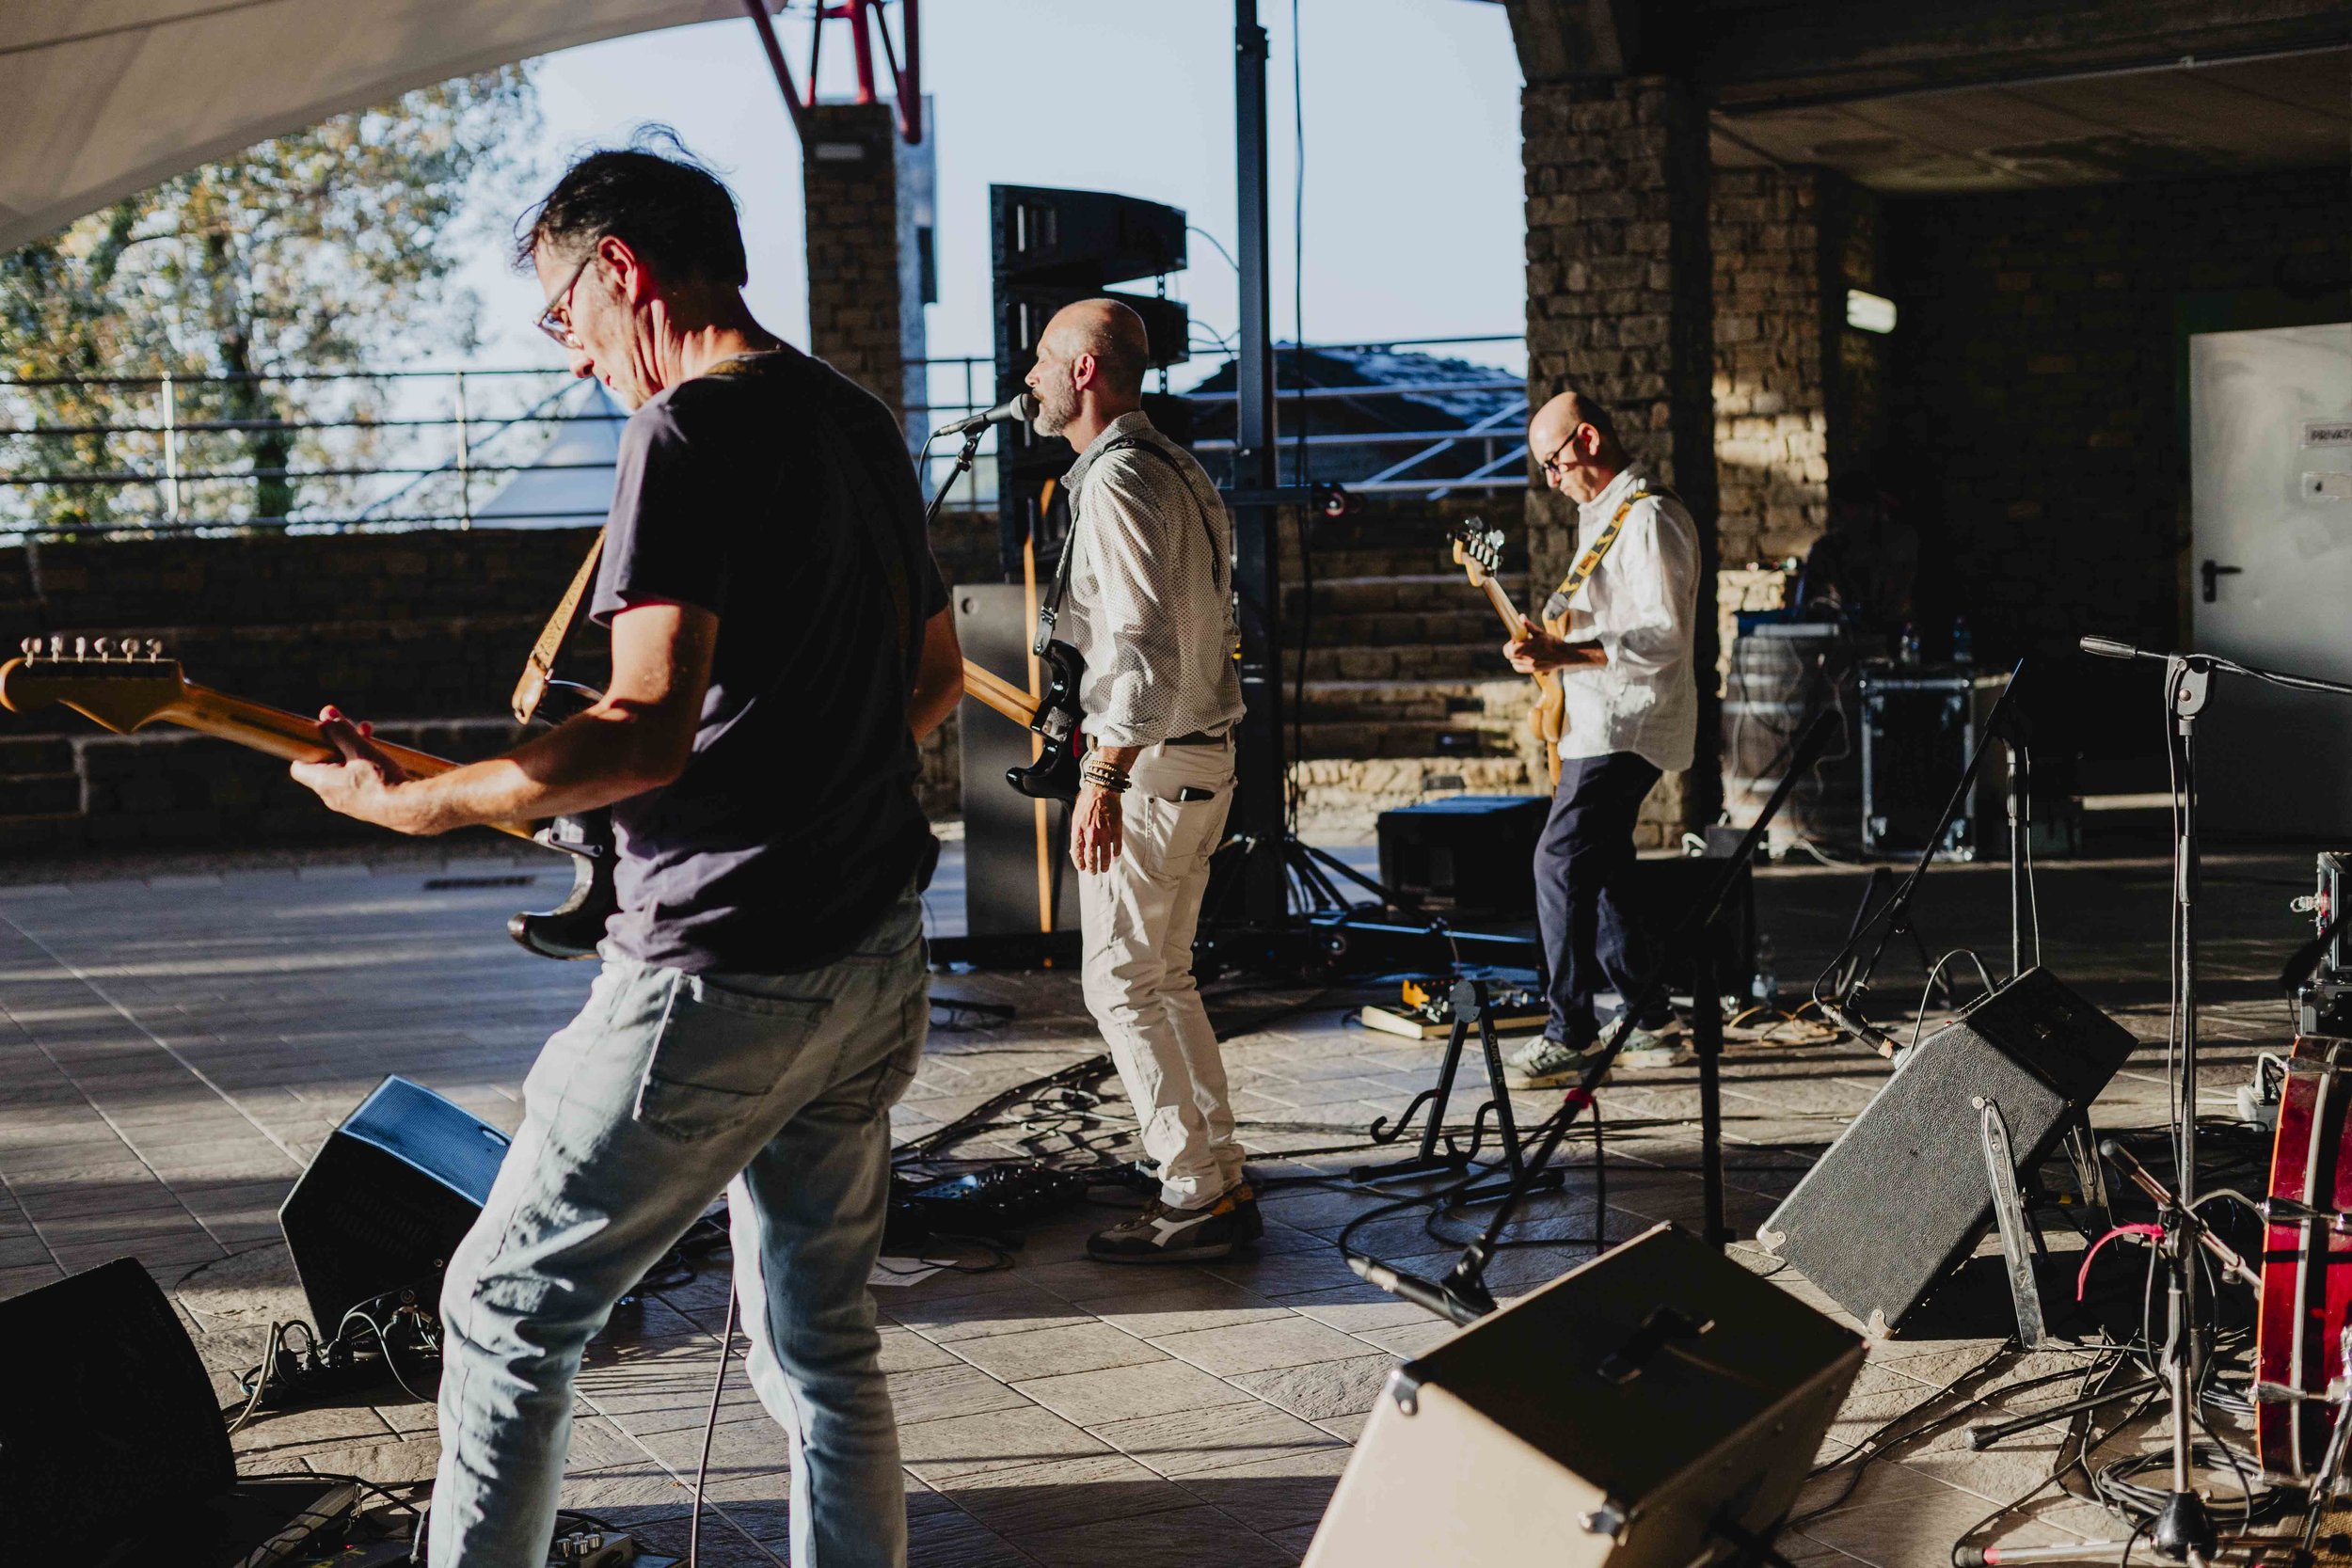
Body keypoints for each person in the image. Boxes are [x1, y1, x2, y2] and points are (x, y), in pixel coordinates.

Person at [290, 139, 959, 1567]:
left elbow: (643, 730)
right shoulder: (856, 419)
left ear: (623, 269)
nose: (574, 355)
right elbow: (933, 679)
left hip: (720, 973)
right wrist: (793, 769)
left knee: (504, 1305)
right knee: (823, 1344)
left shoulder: (684, 432)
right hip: (874, 957)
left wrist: (416, 804)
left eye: (562, 315)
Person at [1023, 298, 1256, 1261]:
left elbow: (1144, 644)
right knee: (1165, 974)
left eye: (1043, 359)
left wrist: (1104, 774)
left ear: (1084, 370)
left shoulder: (1119, 477)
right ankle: (1218, 1169)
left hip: (1152, 767)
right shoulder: (1174, 465)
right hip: (1200, 757)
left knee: (1121, 984)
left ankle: (1193, 1187)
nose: (1029, 376)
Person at [1501, 389, 1700, 1087]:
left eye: (1553, 463)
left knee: (1557, 862)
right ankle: (1650, 1020)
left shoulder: (1649, 517)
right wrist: (1547, 645)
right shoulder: (1607, 516)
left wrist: (1564, 653)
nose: (1551, 481)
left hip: (1628, 721)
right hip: (1597, 720)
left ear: (1587, 439)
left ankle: (1571, 1031)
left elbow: (1665, 636)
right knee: (1605, 865)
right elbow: (1604, 626)